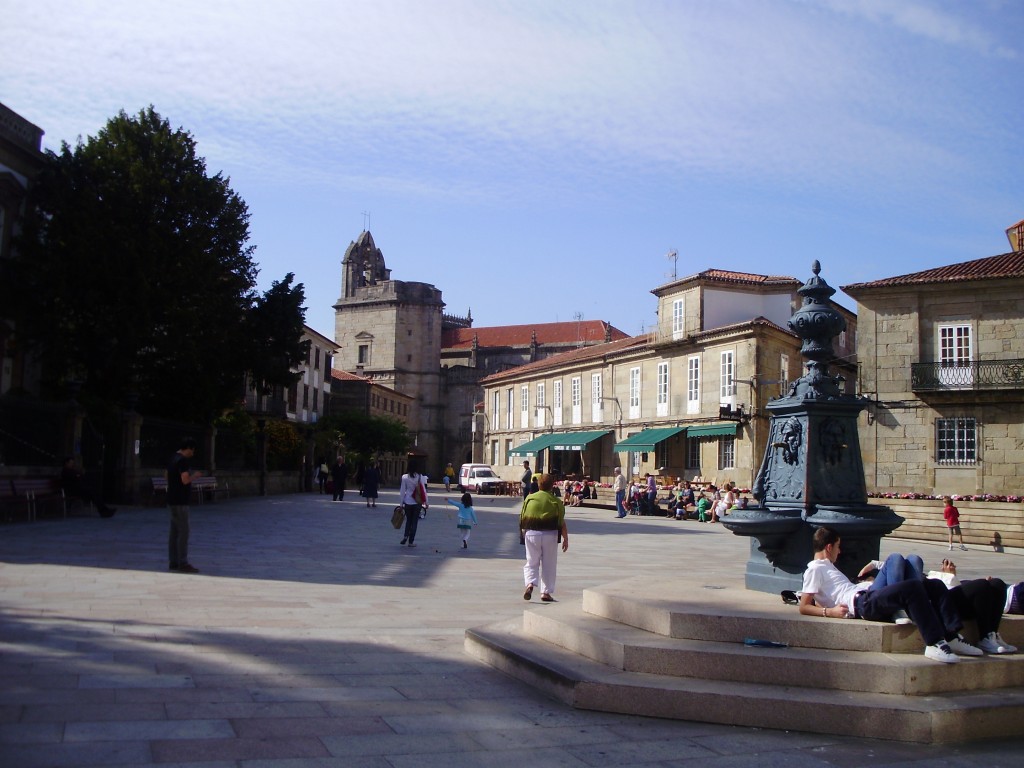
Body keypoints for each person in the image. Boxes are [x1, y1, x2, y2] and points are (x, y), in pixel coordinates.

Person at [798, 527, 981, 663]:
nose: (840, 550)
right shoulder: (814, 569)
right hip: (863, 604)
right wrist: (830, 612)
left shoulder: (827, 567)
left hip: (867, 594)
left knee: (934, 583)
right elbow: (804, 606)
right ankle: (933, 643)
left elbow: (825, 596)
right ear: (829, 547)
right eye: (838, 546)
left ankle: (950, 635)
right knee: (908, 580)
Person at [857, 555, 1018, 654]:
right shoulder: (872, 589)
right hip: (939, 601)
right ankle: (978, 637)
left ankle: (990, 635)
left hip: (946, 593)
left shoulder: (916, 574)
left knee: (997, 584)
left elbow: (896, 565)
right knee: (981, 586)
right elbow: (893, 564)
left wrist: (949, 576)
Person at [519, 473, 568, 603]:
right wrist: (565, 538)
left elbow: (522, 517)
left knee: (531, 561)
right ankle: (545, 592)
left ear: (539, 485)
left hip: (531, 533)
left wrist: (522, 535)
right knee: (549, 564)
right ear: (552, 486)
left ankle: (530, 584)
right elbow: (561, 521)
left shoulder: (529, 499)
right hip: (549, 534)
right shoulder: (556, 501)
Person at [167, 437, 200, 574]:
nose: (193, 453)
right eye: (193, 450)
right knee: (184, 532)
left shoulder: (172, 458)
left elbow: (165, 475)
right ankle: (183, 562)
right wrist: (195, 476)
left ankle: (173, 561)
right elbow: (185, 480)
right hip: (180, 500)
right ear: (189, 448)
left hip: (171, 499)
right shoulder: (182, 461)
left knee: (174, 532)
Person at [398, 462, 429, 547]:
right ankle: (411, 541)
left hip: (408, 501)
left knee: (408, 520)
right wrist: (426, 502)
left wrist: (401, 504)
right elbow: (423, 490)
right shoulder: (420, 477)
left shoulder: (404, 477)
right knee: (414, 521)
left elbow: (402, 491)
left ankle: (405, 536)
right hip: (417, 502)